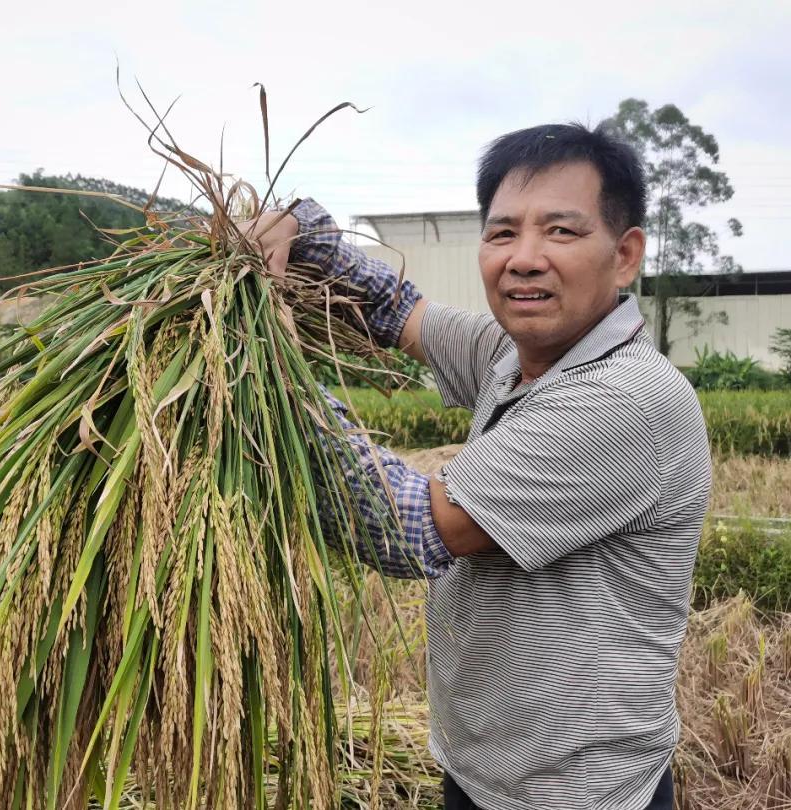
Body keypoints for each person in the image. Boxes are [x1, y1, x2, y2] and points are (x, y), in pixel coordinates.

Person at [243, 123, 710, 810]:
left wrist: (251, 366)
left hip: (571, 793)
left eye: (560, 231)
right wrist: (296, 227)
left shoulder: (627, 401)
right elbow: (391, 308)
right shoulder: (511, 353)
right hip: (481, 768)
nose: (524, 258)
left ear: (625, 253)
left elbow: (410, 529)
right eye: (502, 233)